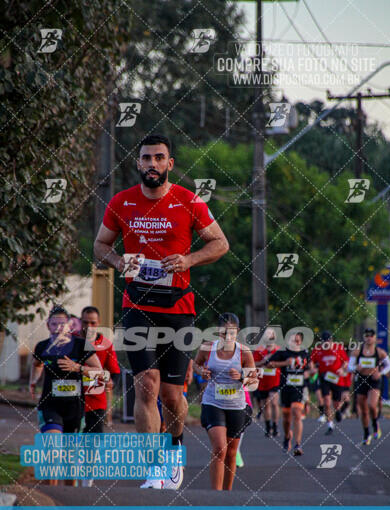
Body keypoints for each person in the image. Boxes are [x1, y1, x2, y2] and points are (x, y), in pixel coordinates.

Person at [94, 133, 229, 489]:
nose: (151, 164)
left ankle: (175, 445)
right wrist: (118, 260)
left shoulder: (189, 201)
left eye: (159, 158)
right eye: (145, 158)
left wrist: (188, 259)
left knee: (171, 394)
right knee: (146, 385)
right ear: (137, 163)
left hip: (178, 308)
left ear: (169, 164)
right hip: (136, 305)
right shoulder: (122, 203)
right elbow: (100, 246)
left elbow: (220, 243)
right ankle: (154, 465)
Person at [29, 306, 104, 485]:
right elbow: (36, 365)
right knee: (53, 451)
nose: (58, 327)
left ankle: (68, 498)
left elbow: (100, 372)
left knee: (70, 461)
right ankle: (51, 499)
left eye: (62, 324)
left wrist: (77, 368)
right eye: (54, 323)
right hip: (50, 405)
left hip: (74, 407)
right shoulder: (42, 346)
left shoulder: (81, 346)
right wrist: (33, 382)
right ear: (48, 325)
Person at [194, 313, 258, 490]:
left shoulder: (244, 352)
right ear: (217, 331)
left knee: (231, 453)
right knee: (219, 449)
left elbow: (254, 379)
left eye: (231, 333)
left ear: (237, 332)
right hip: (213, 403)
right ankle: (216, 496)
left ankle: (227, 495)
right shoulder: (208, 348)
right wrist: (201, 372)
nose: (227, 337)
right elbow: (196, 364)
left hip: (236, 406)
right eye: (224, 333)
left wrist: (242, 377)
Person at [79, 306, 120, 487]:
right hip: (73, 400)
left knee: (93, 441)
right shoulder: (72, 341)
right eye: (85, 322)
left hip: (96, 402)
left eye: (93, 323)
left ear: (99, 323)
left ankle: (87, 481)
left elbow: (114, 373)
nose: (89, 326)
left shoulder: (106, 345)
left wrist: (110, 381)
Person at [267, 332, 313, 456]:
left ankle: (298, 444)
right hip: (286, 388)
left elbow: (311, 369)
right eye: (293, 340)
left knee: (297, 413)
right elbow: (269, 364)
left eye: (298, 341)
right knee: (286, 418)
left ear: (301, 342)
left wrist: (310, 372)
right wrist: (285, 363)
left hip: (299, 389)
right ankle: (287, 437)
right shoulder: (283, 352)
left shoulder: (305, 353)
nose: (295, 342)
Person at [348, 328, 390, 445]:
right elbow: (349, 366)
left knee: (371, 405)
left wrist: (380, 373)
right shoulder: (357, 351)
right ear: (364, 337)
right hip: (362, 379)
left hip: (374, 380)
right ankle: (367, 433)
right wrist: (356, 368)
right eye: (366, 335)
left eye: (371, 336)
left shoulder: (380, 352)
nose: (369, 338)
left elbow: (389, 365)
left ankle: (375, 423)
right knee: (363, 410)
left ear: (375, 338)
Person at [310, 331, 349, 435]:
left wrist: (342, 369)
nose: (326, 343)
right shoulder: (318, 350)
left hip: (336, 378)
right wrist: (313, 369)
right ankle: (330, 425)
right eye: (324, 341)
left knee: (336, 403)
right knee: (327, 402)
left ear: (331, 340)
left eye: (328, 341)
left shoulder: (338, 348)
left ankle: (338, 411)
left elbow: (346, 361)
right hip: (324, 378)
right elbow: (311, 361)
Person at [252, 328, 281, 438]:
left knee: (274, 402)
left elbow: (283, 363)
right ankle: (268, 427)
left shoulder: (278, 350)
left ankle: (276, 425)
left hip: (275, 380)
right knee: (266, 405)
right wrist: (264, 362)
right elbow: (253, 364)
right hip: (263, 381)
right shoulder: (259, 350)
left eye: (271, 336)